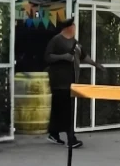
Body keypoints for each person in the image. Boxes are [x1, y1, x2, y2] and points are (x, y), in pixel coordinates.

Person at [44, 17, 104, 148]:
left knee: (59, 109)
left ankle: (53, 134)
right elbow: (47, 57)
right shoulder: (56, 40)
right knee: (67, 111)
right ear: (68, 28)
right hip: (59, 81)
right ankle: (71, 138)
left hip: (71, 81)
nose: (75, 29)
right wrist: (63, 57)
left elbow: (83, 56)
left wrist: (95, 64)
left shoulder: (75, 43)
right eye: (74, 27)